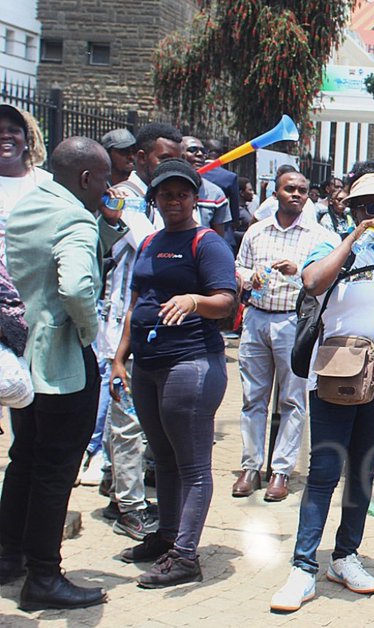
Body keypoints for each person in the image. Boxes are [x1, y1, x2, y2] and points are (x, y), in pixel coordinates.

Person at [0, 137, 127, 610]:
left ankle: (9, 554)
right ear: (86, 178)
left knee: (26, 459)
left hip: (25, 361)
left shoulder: (33, 204)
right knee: (55, 471)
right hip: (62, 365)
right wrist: (88, 331)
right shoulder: (74, 217)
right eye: (104, 180)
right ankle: (45, 578)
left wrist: (106, 231)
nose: (108, 188)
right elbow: (75, 285)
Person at [269, 173, 374, 612]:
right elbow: (312, 282)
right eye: (369, 208)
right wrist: (355, 240)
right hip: (334, 374)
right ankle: (304, 567)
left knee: (362, 471)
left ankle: (345, 556)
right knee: (325, 471)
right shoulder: (331, 244)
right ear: (352, 210)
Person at [108, 159, 236, 588]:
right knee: (161, 457)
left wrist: (194, 301)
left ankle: (185, 555)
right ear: (155, 199)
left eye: (183, 193)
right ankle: (165, 537)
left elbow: (227, 302)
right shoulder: (150, 243)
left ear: (194, 198)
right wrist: (119, 359)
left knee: (193, 465)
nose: (175, 200)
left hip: (191, 362)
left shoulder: (207, 242)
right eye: (166, 194)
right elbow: (136, 304)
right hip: (147, 365)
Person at [234, 170, 336, 501]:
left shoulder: (319, 236)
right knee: (253, 398)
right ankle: (250, 466)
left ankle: (280, 471)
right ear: (275, 193)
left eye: (302, 190)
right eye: (289, 189)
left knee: (292, 399)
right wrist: (251, 279)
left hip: (294, 322)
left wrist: (295, 274)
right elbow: (239, 268)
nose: (296, 194)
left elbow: (322, 283)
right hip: (257, 319)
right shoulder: (256, 232)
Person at [93, 128, 161, 540]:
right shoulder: (121, 197)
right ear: (139, 157)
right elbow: (148, 244)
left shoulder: (155, 200)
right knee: (124, 418)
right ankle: (128, 506)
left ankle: (120, 487)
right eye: (161, 157)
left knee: (135, 421)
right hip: (122, 323)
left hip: (147, 328)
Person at [0, 103, 51, 261]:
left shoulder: (47, 184)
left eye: (14, 130)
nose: (5, 135)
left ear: (28, 139)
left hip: (34, 279)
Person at [180, 136, 233, 239]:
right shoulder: (164, 190)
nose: (200, 154)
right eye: (192, 150)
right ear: (179, 154)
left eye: (203, 151)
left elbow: (218, 239)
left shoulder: (215, 194)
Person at [200, 138, 241, 252]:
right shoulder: (229, 177)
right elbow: (234, 211)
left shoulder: (195, 173)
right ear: (222, 154)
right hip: (223, 231)